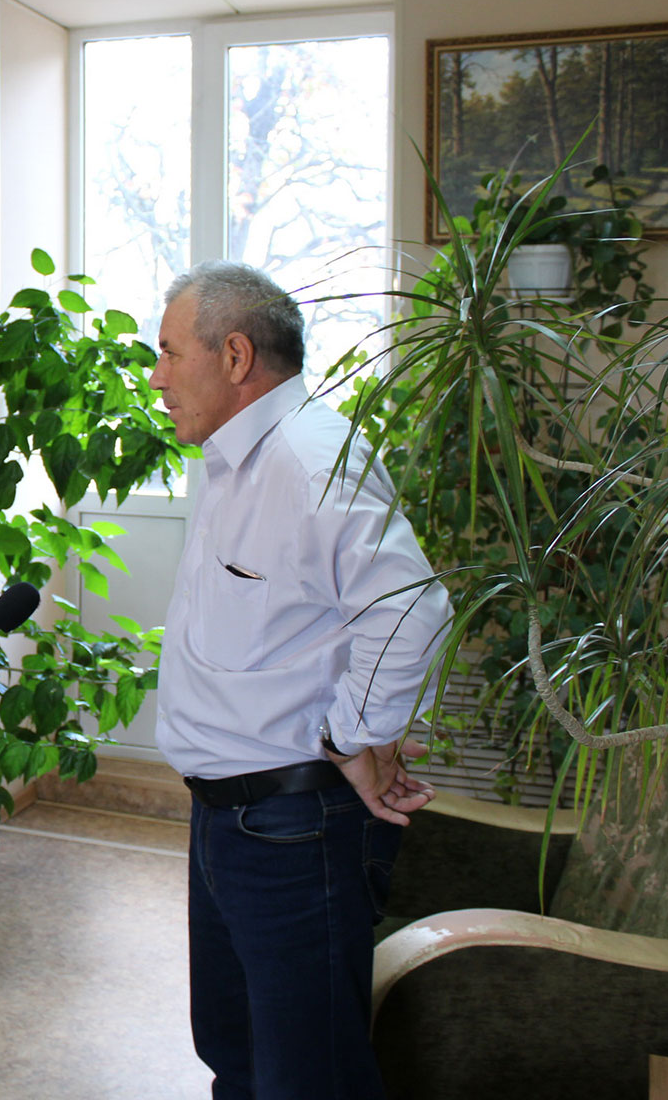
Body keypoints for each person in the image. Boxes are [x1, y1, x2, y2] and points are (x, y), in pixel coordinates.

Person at [148, 261, 452, 1100]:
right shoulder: (235, 461)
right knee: (237, 1058)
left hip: (291, 829)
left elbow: (412, 609)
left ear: (235, 355)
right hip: (228, 821)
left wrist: (353, 735)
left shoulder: (308, 459)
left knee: (307, 1080)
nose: (158, 378)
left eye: (169, 353)